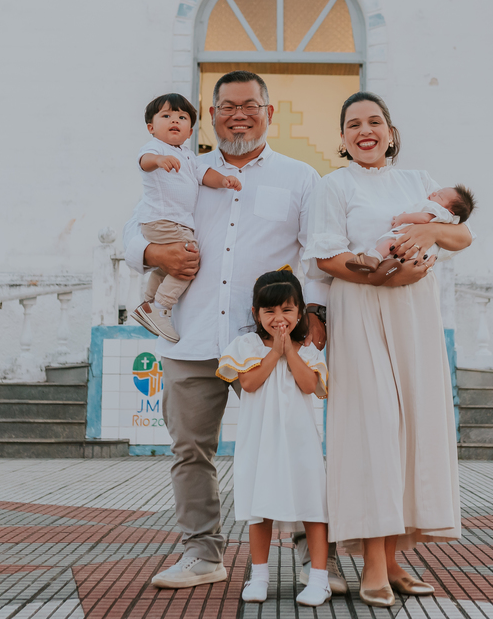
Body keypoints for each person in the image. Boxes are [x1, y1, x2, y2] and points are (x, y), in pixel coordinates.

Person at [122, 71, 346, 594]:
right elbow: (137, 229)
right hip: (191, 337)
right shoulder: (183, 169)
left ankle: (315, 563)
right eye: (226, 106)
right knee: (190, 451)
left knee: (294, 445)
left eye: (249, 105)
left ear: (270, 112)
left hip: (267, 343)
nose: (237, 114)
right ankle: (202, 555)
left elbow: (317, 254)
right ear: (212, 113)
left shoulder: (299, 178)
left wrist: (317, 313)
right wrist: (155, 254)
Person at [303, 92, 472, 607]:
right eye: (353, 123)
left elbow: (461, 236)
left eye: (374, 121)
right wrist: (382, 277)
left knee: (412, 430)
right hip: (361, 310)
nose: (365, 130)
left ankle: (395, 558)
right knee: (372, 431)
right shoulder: (333, 186)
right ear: (343, 138)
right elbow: (325, 256)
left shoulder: (419, 182)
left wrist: (424, 231)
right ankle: (372, 563)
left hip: (416, 316)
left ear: (391, 133)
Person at [216, 270, 331, 607]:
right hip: (260, 441)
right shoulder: (246, 345)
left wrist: (290, 350)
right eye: (269, 311)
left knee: (312, 505)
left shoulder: (307, 349)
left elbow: (310, 386)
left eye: (286, 310)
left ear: (299, 314)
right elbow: (249, 384)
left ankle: (320, 579)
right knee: (260, 508)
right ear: (256, 314)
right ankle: (260, 576)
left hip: (301, 441)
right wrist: (275, 353)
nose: (278, 318)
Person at [131, 93, 242, 342]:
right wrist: (159, 160)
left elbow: (205, 174)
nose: (175, 120)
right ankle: (160, 307)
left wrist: (224, 181)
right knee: (188, 259)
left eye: (182, 117)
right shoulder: (156, 149)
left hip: (174, 222)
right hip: (162, 220)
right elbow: (144, 161)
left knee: (168, 265)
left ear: (190, 131)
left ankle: (147, 303)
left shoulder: (188, 156)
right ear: (151, 127)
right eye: (167, 115)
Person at [345, 184, 475, 276]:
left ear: (450, 211)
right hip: (419, 252)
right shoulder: (448, 218)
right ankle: (384, 273)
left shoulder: (439, 210)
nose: (434, 192)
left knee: (389, 244)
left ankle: (371, 258)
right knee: (394, 261)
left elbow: (424, 218)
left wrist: (403, 217)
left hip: (409, 239)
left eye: (440, 196)